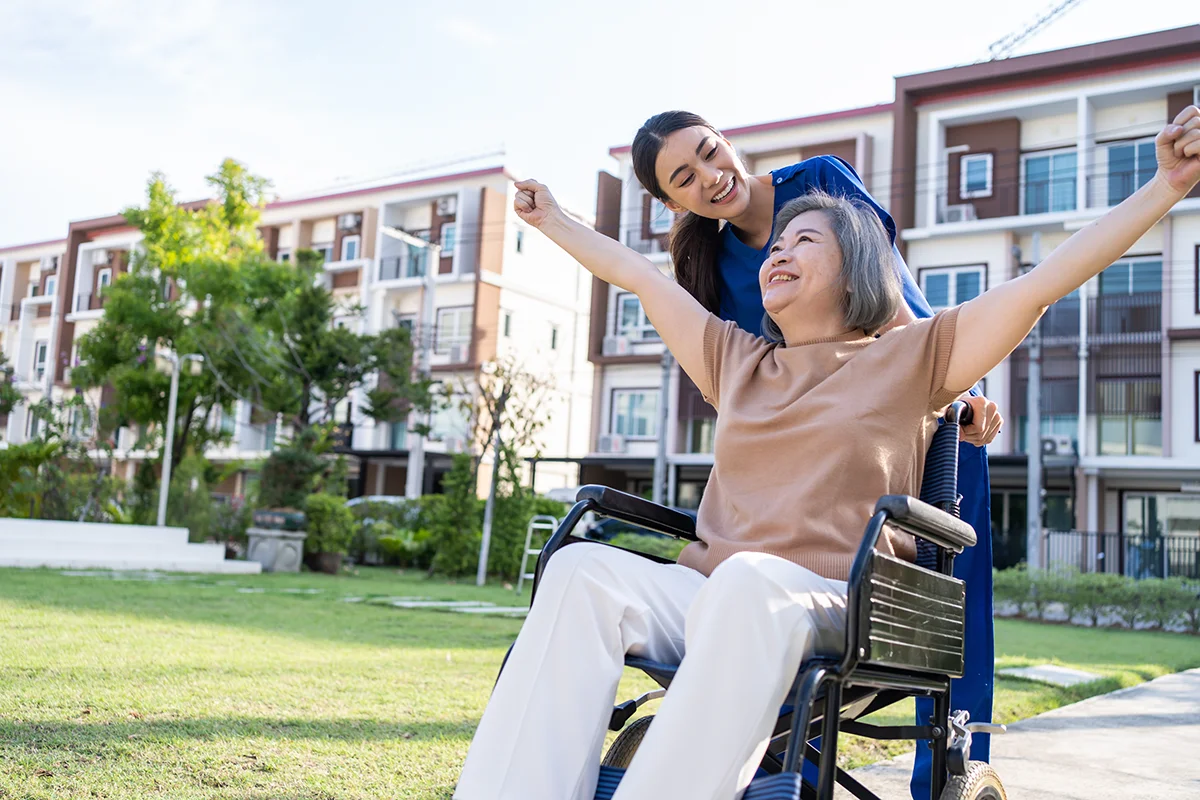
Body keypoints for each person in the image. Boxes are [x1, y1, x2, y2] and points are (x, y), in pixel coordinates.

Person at [453, 108, 1200, 800]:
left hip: (836, 603)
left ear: (857, 269)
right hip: (717, 597)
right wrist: (549, 219)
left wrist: (1165, 186)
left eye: (804, 241)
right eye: (776, 245)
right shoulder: (734, 358)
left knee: (748, 582)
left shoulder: (916, 359)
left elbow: (1047, 282)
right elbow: (637, 275)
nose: (777, 252)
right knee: (586, 570)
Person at [629, 111, 999, 794]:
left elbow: (892, 299)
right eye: (685, 178)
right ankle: (774, 769)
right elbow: (746, 380)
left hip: (912, 414)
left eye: (711, 153)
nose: (712, 177)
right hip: (815, 465)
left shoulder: (820, 182)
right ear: (671, 203)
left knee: (950, 605)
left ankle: (945, 770)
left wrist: (953, 394)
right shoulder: (706, 265)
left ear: (727, 140)